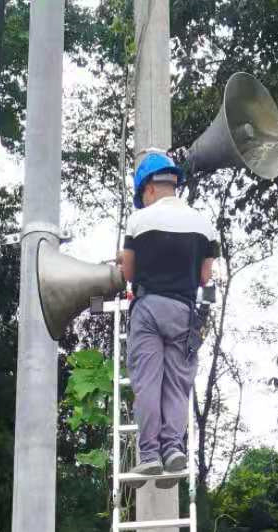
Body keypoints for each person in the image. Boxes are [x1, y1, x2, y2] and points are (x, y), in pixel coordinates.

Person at [120, 151, 218, 488]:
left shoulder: (138, 221)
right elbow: (205, 277)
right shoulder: (204, 224)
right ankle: (173, 449)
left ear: (148, 188)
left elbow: (127, 272)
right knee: (177, 384)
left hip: (148, 309)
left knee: (148, 383)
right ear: (173, 183)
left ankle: (149, 456)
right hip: (185, 313)